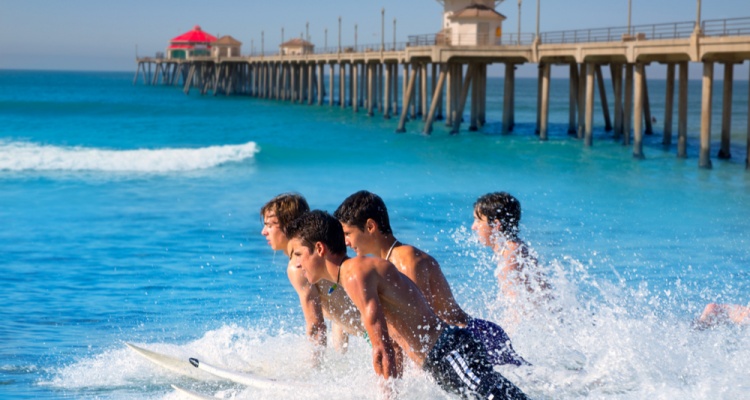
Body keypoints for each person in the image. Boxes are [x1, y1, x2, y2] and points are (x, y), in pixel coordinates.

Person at [286, 210, 529, 399]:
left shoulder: (354, 274)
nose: (297, 264)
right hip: (441, 360)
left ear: (319, 249)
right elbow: (392, 342)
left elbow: (381, 349)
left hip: (449, 352)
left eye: (298, 254)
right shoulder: (352, 276)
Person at [334, 190, 527, 366]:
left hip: (475, 339)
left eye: (348, 233)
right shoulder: (386, 264)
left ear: (370, 226)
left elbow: (421, 329)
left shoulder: (405, 259)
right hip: (458, 346)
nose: (345, 242)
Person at [260, 193, 363, 361]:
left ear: (288, 226)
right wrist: (341, 356)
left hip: (379, 333)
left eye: (270, 225)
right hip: (381, 330)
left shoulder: (297, 266)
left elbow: (316, 326)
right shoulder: (321, 258)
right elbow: (339, 305)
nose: (264, 231)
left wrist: (314, 374)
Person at [472, 192, 551, 304]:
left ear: (496, 225)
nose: (473, 227)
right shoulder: (513, 247)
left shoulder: (511, 253)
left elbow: (517, 306)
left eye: (478, 221)